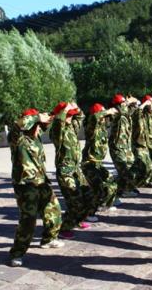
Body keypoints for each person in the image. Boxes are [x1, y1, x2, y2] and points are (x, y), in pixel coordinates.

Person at [8, 108, 63, 267]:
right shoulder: (17, 138)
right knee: (28, 220)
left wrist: (53, 115)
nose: (40, 128)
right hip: (26, 185)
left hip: (42, 182)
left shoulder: (36, 136)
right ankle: (17, 253)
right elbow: (18, 125)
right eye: (37, 124)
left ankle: (48, 239)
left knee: (54, 210)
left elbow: (47, 123)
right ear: (30, 123)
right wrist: (37, 117)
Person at [49, 102, 92, 240]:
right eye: (68, 116)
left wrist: (76, 108)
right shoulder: (57, 131)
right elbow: (57, 122)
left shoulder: (71, 126)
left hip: (76, 168)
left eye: (71, 116)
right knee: (75, 200)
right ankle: (64, 228)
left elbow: (81, 117)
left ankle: (78, 220)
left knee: (89, 195)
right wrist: (63, 111)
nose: (70, 118)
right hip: (65, 171)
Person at [82, 103, 120, 212]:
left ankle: (104, 204)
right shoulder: (91, 126)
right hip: (89, 164)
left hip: (98, 164)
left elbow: (116, 118)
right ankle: (91, 209)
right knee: (98, 187)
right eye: (103, 116)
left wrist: (113, 112)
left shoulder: (102, 127)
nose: (105, 119)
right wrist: (107, 111)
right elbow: (94, 117)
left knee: (112, 183)